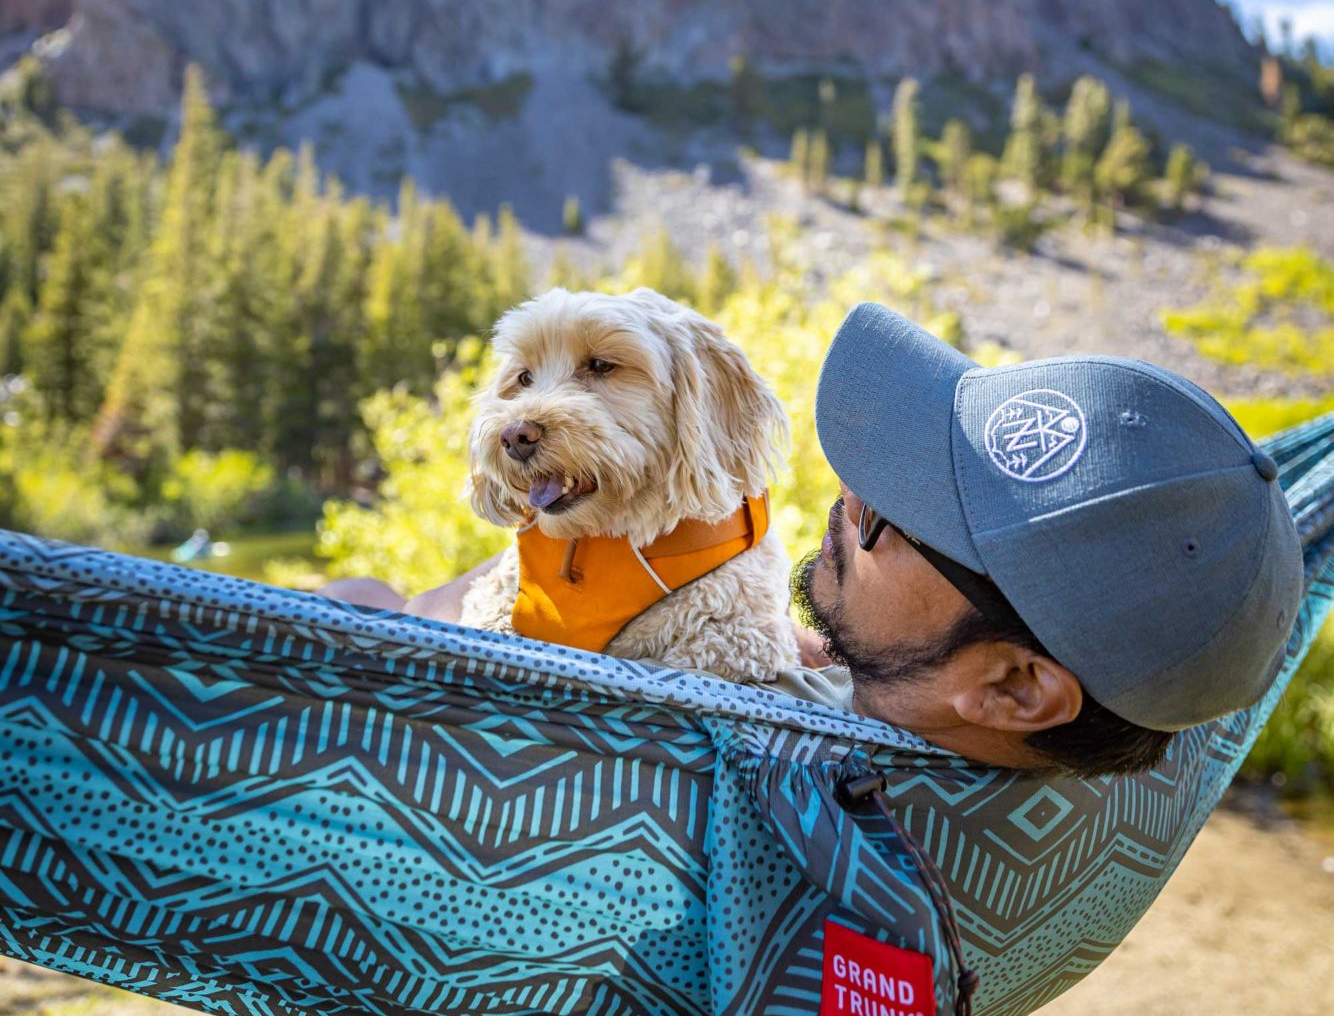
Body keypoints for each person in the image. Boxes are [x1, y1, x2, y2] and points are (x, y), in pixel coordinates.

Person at [328, 303, 1303, 780]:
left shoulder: (745, 771)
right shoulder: (1051, 747)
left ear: (1010, 687)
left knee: (355, 600)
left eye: (886, 512)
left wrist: (390, 610)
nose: (846, 494)